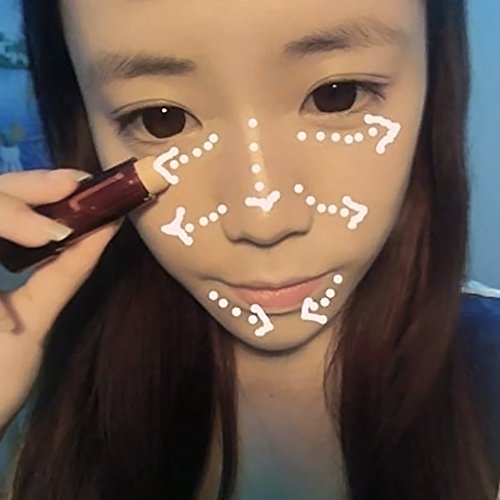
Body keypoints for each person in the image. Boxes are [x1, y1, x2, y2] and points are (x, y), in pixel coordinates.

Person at [0, 0, 499, 498]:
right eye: (160, 120)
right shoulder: (42, 394)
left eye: (337, 96)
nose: (264, 222)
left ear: (434, 75)